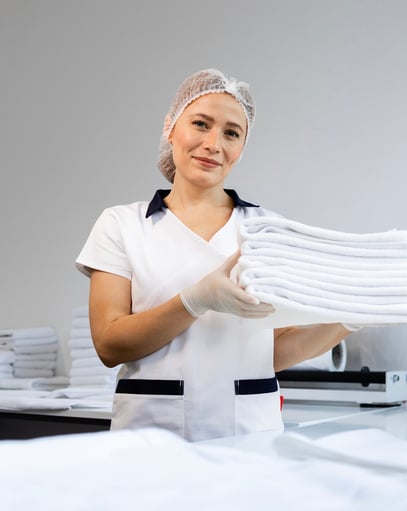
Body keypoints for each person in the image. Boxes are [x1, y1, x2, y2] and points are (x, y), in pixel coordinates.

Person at [75, 68, 354, 442]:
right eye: (201, 124)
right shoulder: (122, 225)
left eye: (231, 133)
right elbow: (109, 344)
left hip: (250, 435)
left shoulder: (268, 229)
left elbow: (271, 351)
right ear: (170, 127)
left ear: (241, 148)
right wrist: (195, 300)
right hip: (151, 435)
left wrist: (349, 321)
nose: (213, 143)